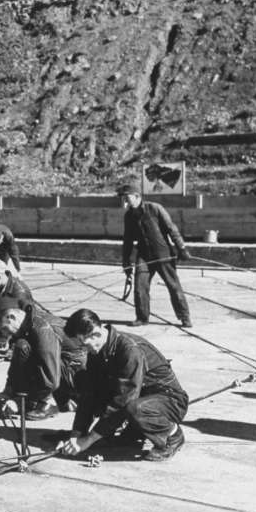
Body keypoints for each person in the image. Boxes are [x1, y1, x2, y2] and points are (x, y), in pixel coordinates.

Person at [56, 308, 189, 462]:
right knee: (87, 384)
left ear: (97, 334)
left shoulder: (129, 350)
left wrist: (89, 440)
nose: (84, 349)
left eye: (85, 345)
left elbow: (124, 399)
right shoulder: (97, 350)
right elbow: (89, 395)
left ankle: (172, 435)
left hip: (169, 401)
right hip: (142, 397)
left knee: (134, 408)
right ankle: (131, 431)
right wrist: (76, 435)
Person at [0, 297, 86, 420]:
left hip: (76, 374)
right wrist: (9, 391)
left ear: (11, 317)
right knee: (22, 346)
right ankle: (32, 398)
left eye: (3, 328)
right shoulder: (28, 322)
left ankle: (49, 404)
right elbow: (19, 360)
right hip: (62, 366)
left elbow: (50, 379)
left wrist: (21, 403)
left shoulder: (42, 329)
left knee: (36, 360)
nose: (4, 334)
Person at [117, 184, 193, 328]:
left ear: (137, 196)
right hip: (144, 256)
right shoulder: (129, 216)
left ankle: (185, 317)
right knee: (140, 287)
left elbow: (172, 229)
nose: (125, 202)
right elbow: (127, 241)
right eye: (123, 199)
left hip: (163, 254)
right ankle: (142, 317)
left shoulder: (155, 208)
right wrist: (126, 262)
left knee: (173, 286)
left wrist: (181, 248)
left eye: (127, 198)